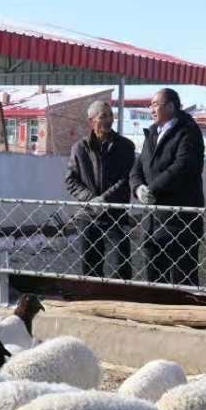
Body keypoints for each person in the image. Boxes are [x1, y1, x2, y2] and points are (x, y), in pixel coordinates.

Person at [129, 88, 204, 286]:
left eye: (155, 104)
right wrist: (138, 188)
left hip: (180, 223)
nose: (151, 109)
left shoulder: (188, 131)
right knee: (155, 283)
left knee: (183, 282)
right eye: (150, 105)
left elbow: (182, 167)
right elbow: (137, 167)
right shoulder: (152, 133)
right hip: (152, 223)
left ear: (170, 106)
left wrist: (152, 189)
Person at [65, 100, 135, 279]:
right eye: (103, 116)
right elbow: (71, 180)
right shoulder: (79, 148)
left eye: (110, 115)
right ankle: (94, 297)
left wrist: (104, 200)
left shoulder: (126, 146)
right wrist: (91, 199)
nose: (109, 120)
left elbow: (126, 178)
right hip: (88, 216)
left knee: (121, 267)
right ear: (91, 121)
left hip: (115, 215)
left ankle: (119, 296)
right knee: (90, 269)